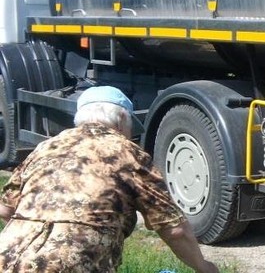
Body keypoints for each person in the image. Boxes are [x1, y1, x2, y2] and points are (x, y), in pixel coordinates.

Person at [0, 86, 218, 273]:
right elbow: (174, 229)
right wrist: (203, 267)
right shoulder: (129, 153)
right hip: (69, 263)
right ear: (122, 120)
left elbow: (6, 209)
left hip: (6, 256)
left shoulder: (45, 147)